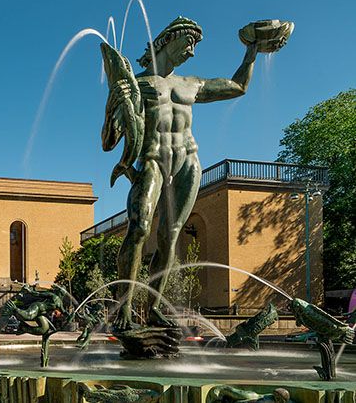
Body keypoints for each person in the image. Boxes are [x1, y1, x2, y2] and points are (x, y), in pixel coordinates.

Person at [101, 17, 260, 331]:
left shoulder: (192, 84)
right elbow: (108, 142)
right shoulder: (136, 84)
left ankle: (155, 307)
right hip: (151, 160)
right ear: (167, 40)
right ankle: (124, 306)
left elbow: (237, 87)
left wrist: (251, 51)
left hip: (188, 160)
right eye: (189, 43)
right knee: (139, 227)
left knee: (170, 237)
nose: (192, 52)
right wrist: (113, 105)